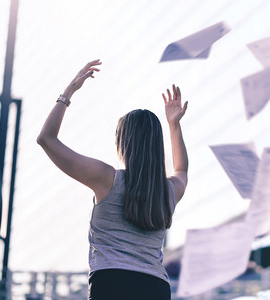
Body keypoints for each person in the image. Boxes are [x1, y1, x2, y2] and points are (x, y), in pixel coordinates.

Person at [37, 59, 188, 299]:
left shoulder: (106, 178)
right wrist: (173, 125)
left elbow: (46, 139)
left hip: (111, 283)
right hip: (155, 287)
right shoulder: (168, 191)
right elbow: (182, 170)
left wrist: (68, 92)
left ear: (122, 143)